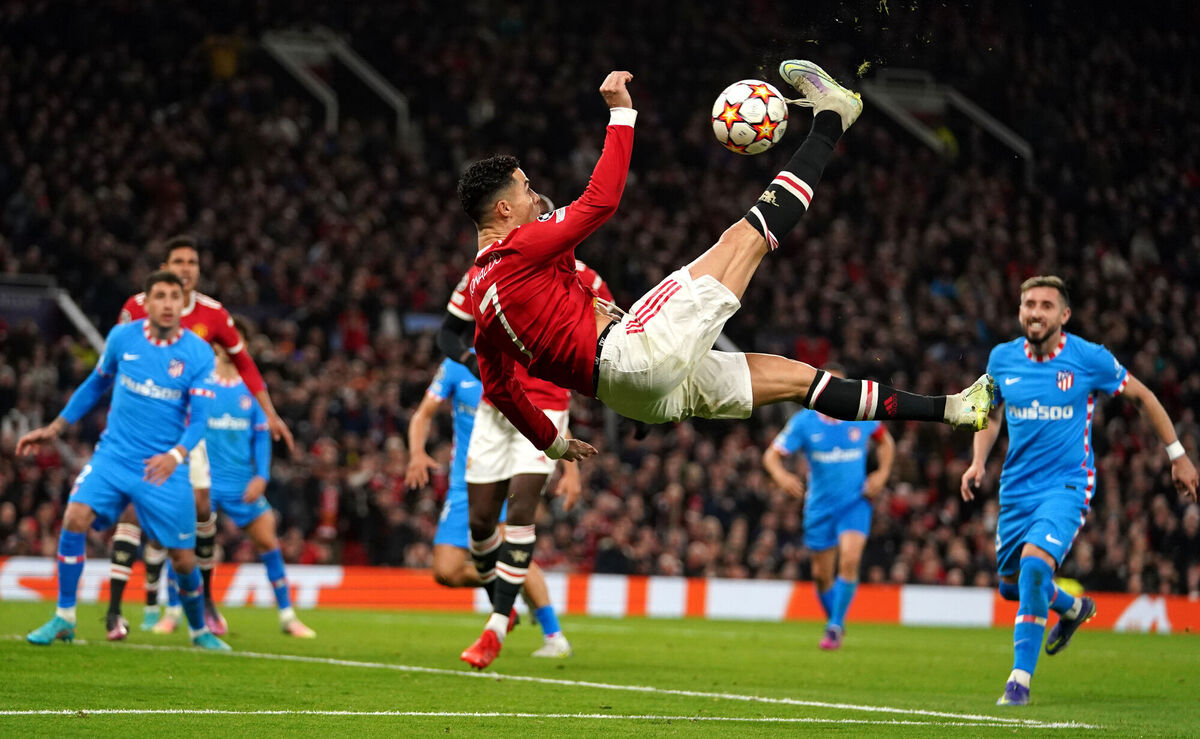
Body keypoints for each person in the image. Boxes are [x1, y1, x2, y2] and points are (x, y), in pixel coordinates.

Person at [454, 61, 995, 666]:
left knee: (795, 378)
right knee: (746, 237)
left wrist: (553, 445)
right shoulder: (522, 246)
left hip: (634, 394)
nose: (534, 196)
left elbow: (499, 387)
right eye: (526, 190)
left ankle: (954, 408)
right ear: (503, 211)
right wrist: (620, 112)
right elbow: (601, 201)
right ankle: (831, 122)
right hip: (635, 352)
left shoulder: (478, 298)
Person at [960, 274, 1198, 706]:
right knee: (1012, 587)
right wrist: (978, 461)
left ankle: (1018, 683)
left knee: (1034, 569)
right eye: (1029, 303)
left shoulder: (1090, 359)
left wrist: (1177, 453)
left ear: (1064, 315)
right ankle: (1071, 608)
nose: (1035, 312)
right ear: (1019, 310)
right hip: (1015, 490)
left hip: (1067, 485)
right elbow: (990, 415)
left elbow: (1142, 397)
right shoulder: (1001, 359)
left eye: (1046, 305)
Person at [18, 270, 230, 650]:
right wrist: (54, 428)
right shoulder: (123, 338)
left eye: (174, 297)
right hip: (114, 455)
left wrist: (176, 455)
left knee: (183, 559)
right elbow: (95, 384)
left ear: (183, 304)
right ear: (145, 303)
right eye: (159, 296)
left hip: (163, 466)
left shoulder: (198, 354)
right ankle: (64, 617)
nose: (167, 304)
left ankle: (199, 630)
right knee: (74, 517)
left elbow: (199, 420)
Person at [107, 235, 295, 640]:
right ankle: (119, 610)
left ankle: (202, 601)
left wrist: (270, 412)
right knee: (131, 513)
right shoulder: (134, 308)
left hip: (189, 430)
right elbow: (117, 360)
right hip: (139, 430)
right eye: (178, 260)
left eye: (192, 261)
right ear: (164, 266)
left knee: (200, 505)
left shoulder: (213, 314)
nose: (186, 267)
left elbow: (245, 362)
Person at [444, 257, 605, 668]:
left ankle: (496, 626)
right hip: (496, 406)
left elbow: (612, 340)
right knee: (481, 523)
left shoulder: (584, 278)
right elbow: (448, 333)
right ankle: (508, 606)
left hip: (547, 408)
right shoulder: (489, 267)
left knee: (519, 513)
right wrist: (471, 364)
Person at [405, 350, 572, 658]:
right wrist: (416, 452)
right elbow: (423, 413)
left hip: (508, 473)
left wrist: (572, 472)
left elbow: (547, 414)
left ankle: (554, 635)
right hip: (463, 479)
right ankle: (506, 596)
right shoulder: (456, 364)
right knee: (446, 571)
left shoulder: (516, 359)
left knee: (513, 543)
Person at [762, 363, 895, 650]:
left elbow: (886, 443)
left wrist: (881, 474)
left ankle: (834, 627)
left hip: (855, 503)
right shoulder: (804, 422)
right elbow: (771, 456)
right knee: (822, 576)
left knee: (849, 559)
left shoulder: (861, 417)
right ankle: (836, 619)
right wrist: (782, 475)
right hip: (819, 507)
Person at [193, 324, 315, 637]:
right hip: (204, 481)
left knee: (267, 540)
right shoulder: (202, 381)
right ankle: (175, 614)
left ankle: (288, 616)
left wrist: (262, 475)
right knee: (185, 547)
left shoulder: (251, 388)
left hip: (241, 483)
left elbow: (262, 438)